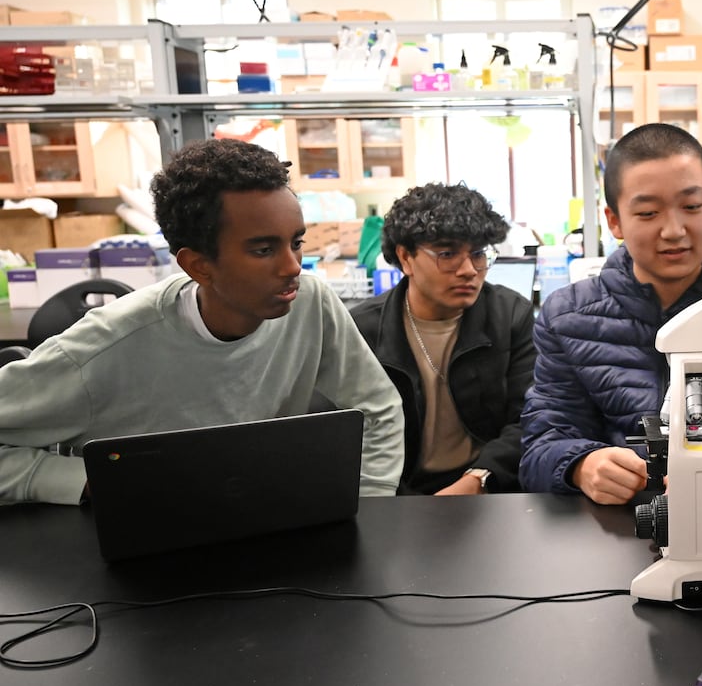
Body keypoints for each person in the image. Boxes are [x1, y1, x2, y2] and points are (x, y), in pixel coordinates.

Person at [0, 138, 405, 505]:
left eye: (296, 242)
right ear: (198, 265)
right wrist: (88, 481)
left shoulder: (310, 303)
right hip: (144, 546)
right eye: (264, 250)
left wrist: (366, 507)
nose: (292, 266)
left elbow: (378, 408)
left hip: (260, 524)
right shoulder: (99, 350)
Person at [519, 123, 702, 505]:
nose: (674, 230)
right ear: (615, 221)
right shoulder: (567, 316)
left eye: (691, 207)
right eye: (649, 212)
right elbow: (541, 444)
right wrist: (582, 465)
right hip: (612, 525)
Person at [349, 183, 536, 495]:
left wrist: (477, 482)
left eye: (478, 254)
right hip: (395, 495)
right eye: (447, 253)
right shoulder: (362, 331)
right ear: (405, 258)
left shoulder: (510, 315)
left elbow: (529, 419)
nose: (468, 270)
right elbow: (351, 439)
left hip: (489, 489)